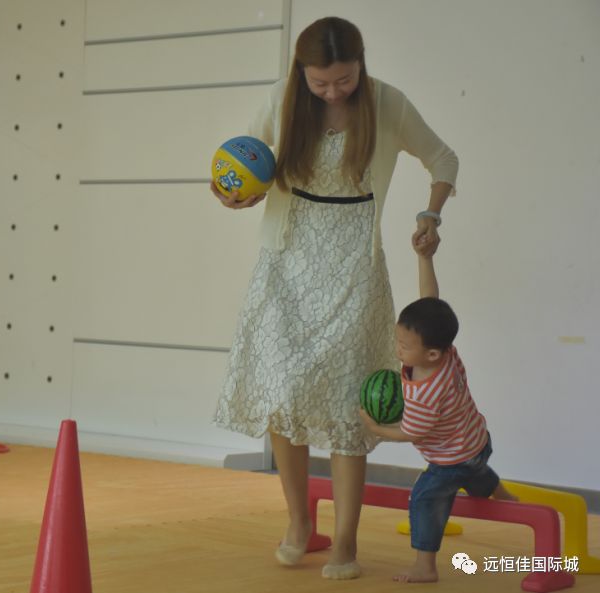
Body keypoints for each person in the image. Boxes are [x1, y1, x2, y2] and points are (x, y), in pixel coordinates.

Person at [212, 16, 458, 580]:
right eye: (319, 82)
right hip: (285, 261)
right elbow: (244, 160)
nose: (332, 92)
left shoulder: (387, 103)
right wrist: (233, 194)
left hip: (354, 266)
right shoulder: (282, 100)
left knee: (352, 406)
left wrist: (431, 213)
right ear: (302, 72)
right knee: (282, 395)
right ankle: (300, 523)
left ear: (360, 66)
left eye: (343, 80)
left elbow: (444, 159)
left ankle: (345, 542)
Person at [359, 242, 517, 583]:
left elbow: (412, 432)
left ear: (430, 354)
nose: (397, 349)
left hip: (449, 459)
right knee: (473, 469)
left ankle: (425, 566)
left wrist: (376, 428)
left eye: (403, 346)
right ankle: (500, 493)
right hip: (477, 442)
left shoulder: (422, 393)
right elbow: (430, 300)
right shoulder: (446, 353)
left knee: (424, 498)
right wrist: (424, 258)